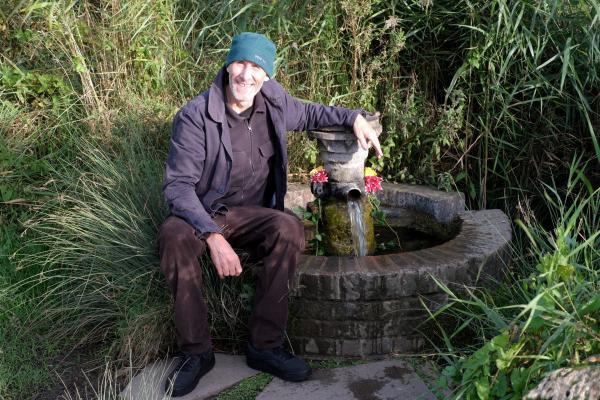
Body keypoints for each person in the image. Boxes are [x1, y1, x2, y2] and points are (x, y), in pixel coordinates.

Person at [158, 32, 382, 397]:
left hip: (254, 216)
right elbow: (178, 188)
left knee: (290, 228)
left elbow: (312, 112)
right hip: (204, 214)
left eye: (257, 67)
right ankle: (196, 353)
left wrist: (354, 117)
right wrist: (212, 237)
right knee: (172, 237)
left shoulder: (273, 102)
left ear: (267, 76)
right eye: (241, 63)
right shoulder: (196, 116)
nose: (247, 74)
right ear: (229, 65)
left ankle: (264, 347)